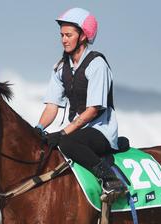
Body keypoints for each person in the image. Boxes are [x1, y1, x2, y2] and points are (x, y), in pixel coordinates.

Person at [35, 7, 127, 202]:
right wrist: (38, 128)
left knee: (66, 142)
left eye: (69, 35)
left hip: (100, 131)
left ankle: (111, 180)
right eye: (62, 35)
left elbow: (93, 111)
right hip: (76, 131)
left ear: (83, 36)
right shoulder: (60, 67)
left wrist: (62, 133)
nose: (64, 39)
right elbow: (52, 106)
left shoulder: (97, 64)